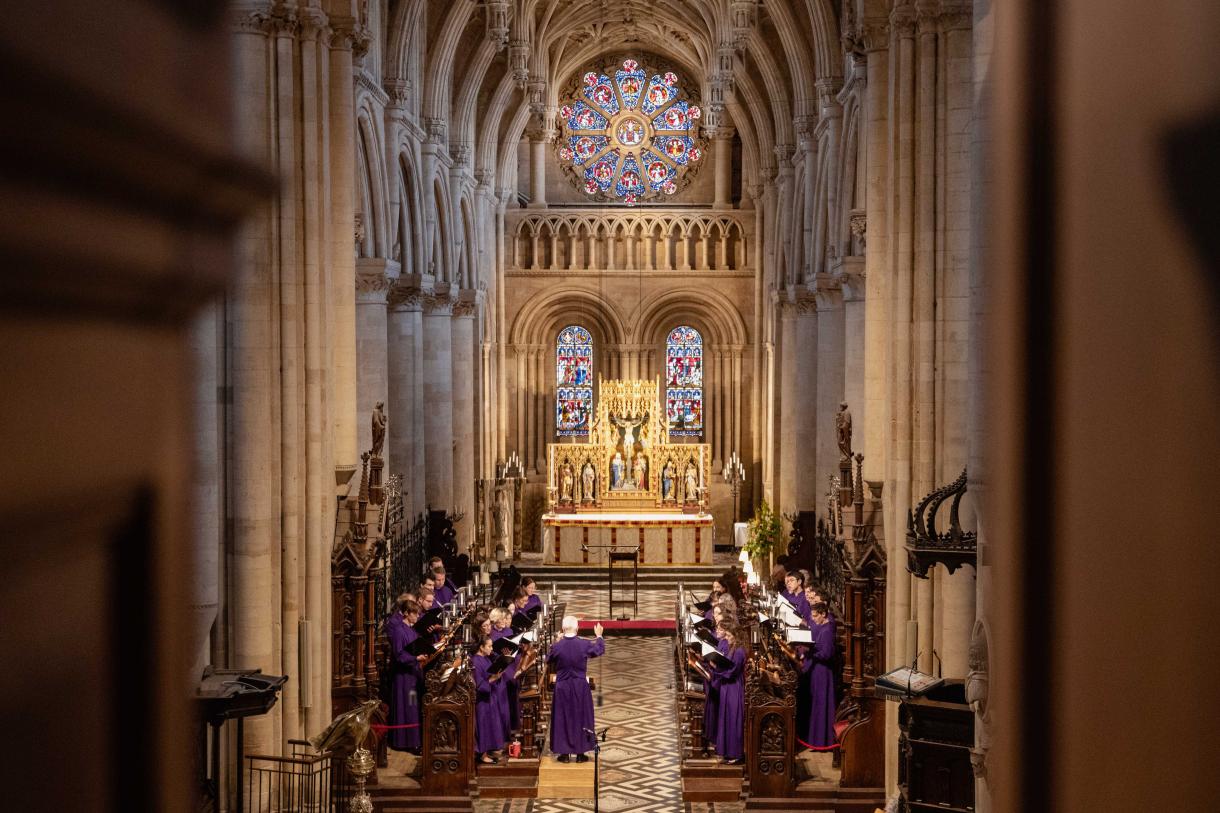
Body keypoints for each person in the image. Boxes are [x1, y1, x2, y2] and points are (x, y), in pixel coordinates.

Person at [547, 616, 605, 762]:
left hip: (562, 686)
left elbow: (548, 659)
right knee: (581, 716)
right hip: (580, 685)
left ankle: (564, 754)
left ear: (563, 629)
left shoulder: (558, 646)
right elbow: (599, 649)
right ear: (577, 628)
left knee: (562, 717)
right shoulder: (583, 644)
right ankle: (580, 753)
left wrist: (556, 641)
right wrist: (599, 636)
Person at [386, 598, 423, 753]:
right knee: (408, 707)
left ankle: (414, 740)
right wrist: (416, 658)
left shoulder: (411, 629)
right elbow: (399, 655)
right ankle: (408, 742)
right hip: (404, 678)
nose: (418, 617)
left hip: (412, 675)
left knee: (413, 706)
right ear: (407, 613)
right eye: (415, 614)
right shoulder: (399, 631)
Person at [472, 636, 512, 764]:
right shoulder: (475, 661)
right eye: (489, 646)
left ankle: (488, 750)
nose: (492, 649)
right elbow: (478, 684)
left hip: (491, 697)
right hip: (482, 700)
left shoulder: (486, 658)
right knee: (484, 725)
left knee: (492, 724)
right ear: (481, 647)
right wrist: (494, 678)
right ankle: (482, 755)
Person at [803, 602, 837, 750]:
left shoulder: (828, 629)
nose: (813, 619)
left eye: (816, 616)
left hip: (823, 671)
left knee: (821, 703)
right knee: (817, 702)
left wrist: (811, 651)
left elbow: (827, 653)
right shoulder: (823, 628)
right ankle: (816, 740)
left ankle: (822, 741)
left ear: (823, 614)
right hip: (818, 669)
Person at [710, 624, 746, 764]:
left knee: (733, 720)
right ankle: (726, 751)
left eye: (730, 636)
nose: (728, 638)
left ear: (737, 637)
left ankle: (735, 753)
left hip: (734, 688)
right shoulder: (732, 648)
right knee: (725, 718)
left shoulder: (739, 652)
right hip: (727, 687)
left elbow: (732, 672)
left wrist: (716, 669)